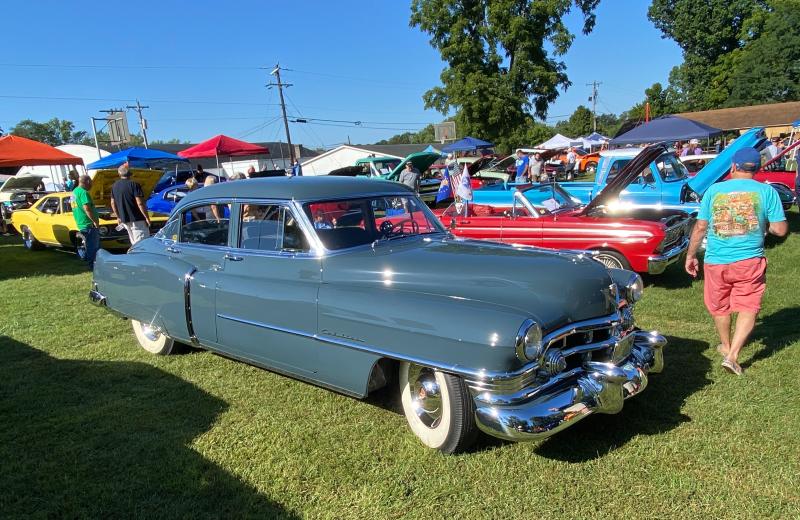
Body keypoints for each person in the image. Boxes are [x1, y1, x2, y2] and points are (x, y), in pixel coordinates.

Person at [684, 147, 788, 376]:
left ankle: (726, 346)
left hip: (716, 261)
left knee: (720, 305)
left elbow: (701, 227)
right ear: (757, 168)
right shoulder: (767, 191)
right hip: (749, 260)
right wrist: (763, 224)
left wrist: (691, 256)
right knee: (748, 305)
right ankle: (733, 356)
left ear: (733, 167)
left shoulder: (714, 190)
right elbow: (780, 229)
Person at [111, 165, 151, 245]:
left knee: (133, 242)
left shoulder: (114, 186)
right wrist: (147, 217)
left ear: (119, 174)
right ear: (130, 174)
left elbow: (112, 203)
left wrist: (118, 217)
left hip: (124, 219)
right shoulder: (134, 184)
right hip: (137, 219)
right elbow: (140, 203)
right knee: (142, 244)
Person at [71, 175, 100, 270]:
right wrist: (95, 221)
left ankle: (90, 263)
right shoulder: (83, 193)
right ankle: (93, 266)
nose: (92, 184)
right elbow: (87, 208)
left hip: (81, 222)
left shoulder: (74, 192)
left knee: (88, 244)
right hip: (88, 223)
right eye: (91, 182)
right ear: (87, 181)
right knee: (93, 246)